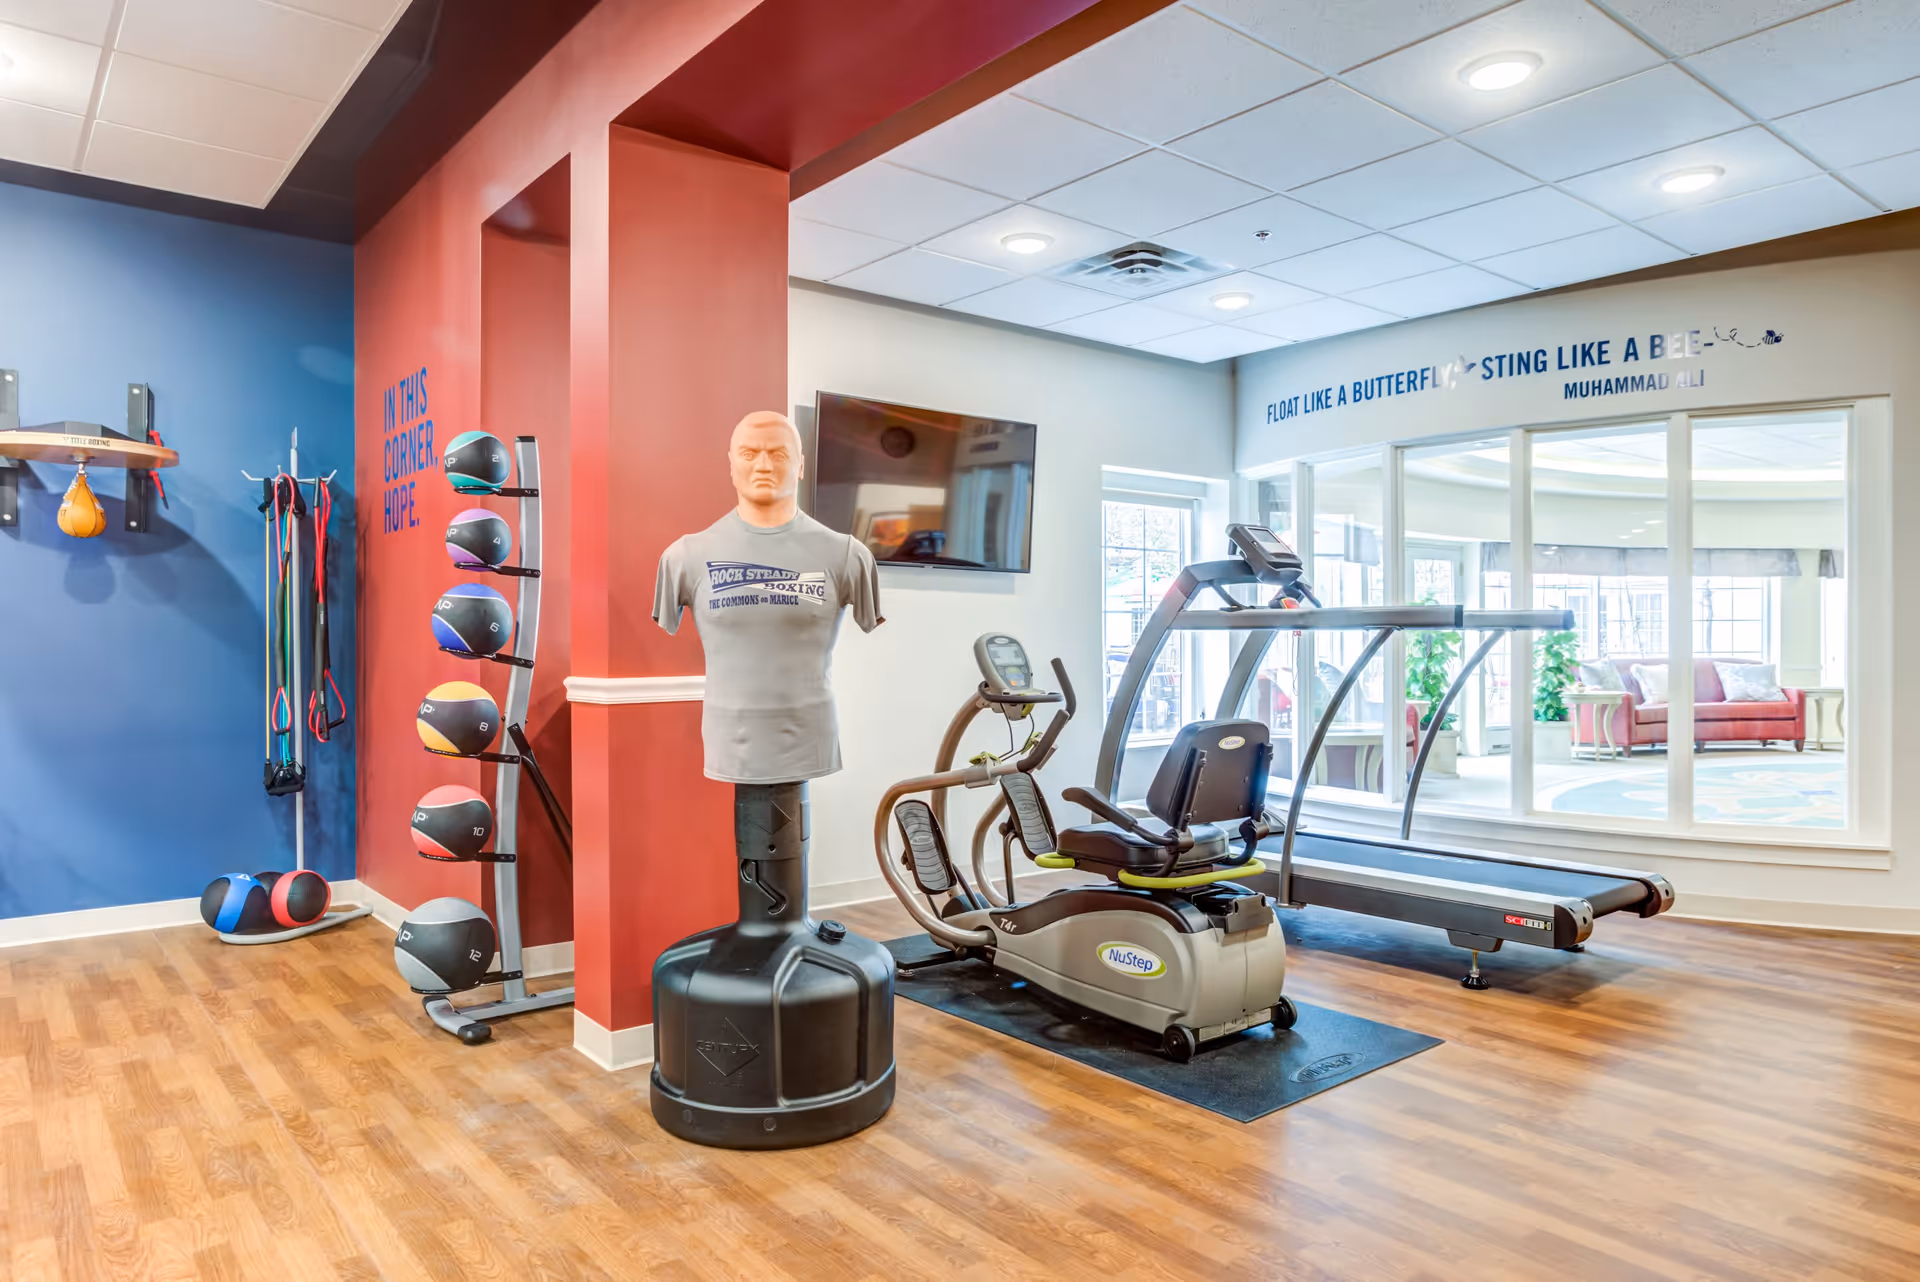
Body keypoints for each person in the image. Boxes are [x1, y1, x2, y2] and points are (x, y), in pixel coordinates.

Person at [652, 410, 883, 784]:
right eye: (749, 453)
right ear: (730, 464)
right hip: (731, 743)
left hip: (810, 739)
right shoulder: (684, 557)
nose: (763, 465)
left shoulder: (848, 555)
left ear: (800, 465)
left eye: (778, 454)